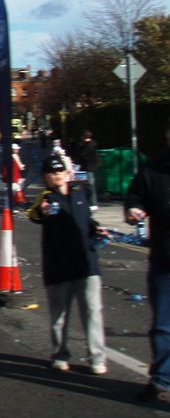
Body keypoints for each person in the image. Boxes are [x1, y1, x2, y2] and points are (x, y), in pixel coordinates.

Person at [28, 155, 109, 375]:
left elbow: (86, 221)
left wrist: (97, 229)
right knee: (60, 315)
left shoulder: (79, 193)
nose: (57, 175)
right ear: (45, 177)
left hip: (86, 263)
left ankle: (97, 358)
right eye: (52, 172)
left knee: (93, 311)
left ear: (67, 172)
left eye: (60, 171)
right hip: (58, 266)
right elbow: (34, 214)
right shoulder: (45, 198)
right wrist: (41, 212)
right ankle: (60, 353)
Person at [126, 122, 170, 401]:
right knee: (163, 325)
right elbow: (135, 195)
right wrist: (133, 208)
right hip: (164, 260)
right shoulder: (152, 170)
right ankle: (162, 379)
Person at [78, 130, 99, 208]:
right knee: (84, 185)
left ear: (84, 137)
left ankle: (93, 203)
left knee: (90, 186)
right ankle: (88, 201)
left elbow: (82, 154)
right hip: (85, 168)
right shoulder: (90, 145)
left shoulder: (89, 146)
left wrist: (81, 147)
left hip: (88, 168)